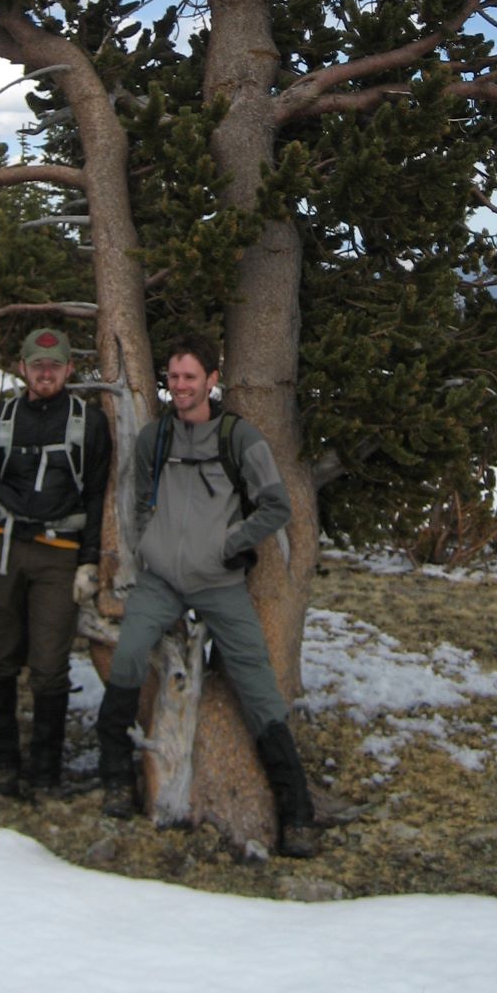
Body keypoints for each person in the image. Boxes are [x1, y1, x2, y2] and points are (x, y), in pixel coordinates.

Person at [94, 332, 318, 857]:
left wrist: (229, 543)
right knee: (128, 656)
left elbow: (276, 506)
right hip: (162, 580)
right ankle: (113, 777)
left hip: (220, 582)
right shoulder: (156, 437)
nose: (179, 387)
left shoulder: (239, 438)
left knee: (257, 684)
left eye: (190, 377)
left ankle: (297, 809)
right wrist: (154, 539)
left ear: (212, 380)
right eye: (172, 378)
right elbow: (143, 497)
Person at [0, 327, 111, 796]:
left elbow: (99, 494)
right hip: (1, 546)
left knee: (49, 664)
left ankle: (45, 770)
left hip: (60, 554)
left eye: (56, 365)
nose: (46, 373)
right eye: (37, 365)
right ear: (22, 368)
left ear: (69, 369)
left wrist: (90, 562)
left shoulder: (89, 422)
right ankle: (3, 761)